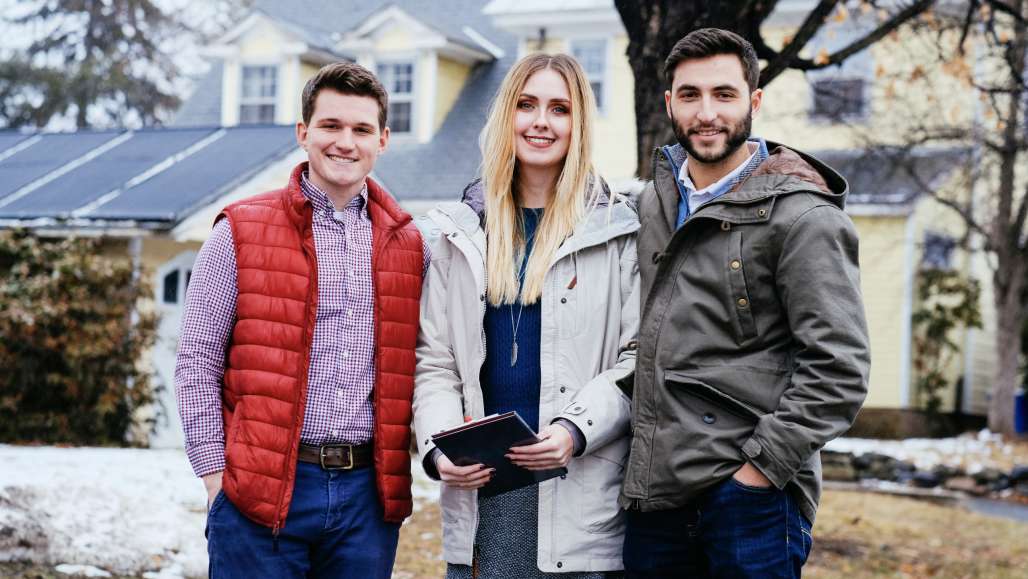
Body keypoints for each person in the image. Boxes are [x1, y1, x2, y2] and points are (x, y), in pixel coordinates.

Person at [619, 28, 871, 578]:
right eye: (690, 95)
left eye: (724, 94)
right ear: (669, 103)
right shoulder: (651, 206)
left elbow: (839, 370)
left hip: (750, 503)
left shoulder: (802, 218)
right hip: (654, 497)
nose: (707, 112)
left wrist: (757, 473)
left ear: (754, 101)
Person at [175, 62, 428, 579]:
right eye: (331, 126)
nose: (345, 142)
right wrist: (216, 476)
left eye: (361, 129)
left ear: (383, 139)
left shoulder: (409, 245)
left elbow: (423, 362)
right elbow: (197, 361)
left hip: (366, 500)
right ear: (303, 132)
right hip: (259, 491)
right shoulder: (240, 230)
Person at [413, 53, 639, 578]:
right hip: (484, 490)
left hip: (576, 484)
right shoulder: (461, 234)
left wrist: (575, 430)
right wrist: (441, 449)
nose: (541, 121)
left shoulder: (616, 231)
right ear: (504, 116)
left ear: (578, 123)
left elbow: (638, 358)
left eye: (559, 108)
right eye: (526, 104)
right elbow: (436, 363)